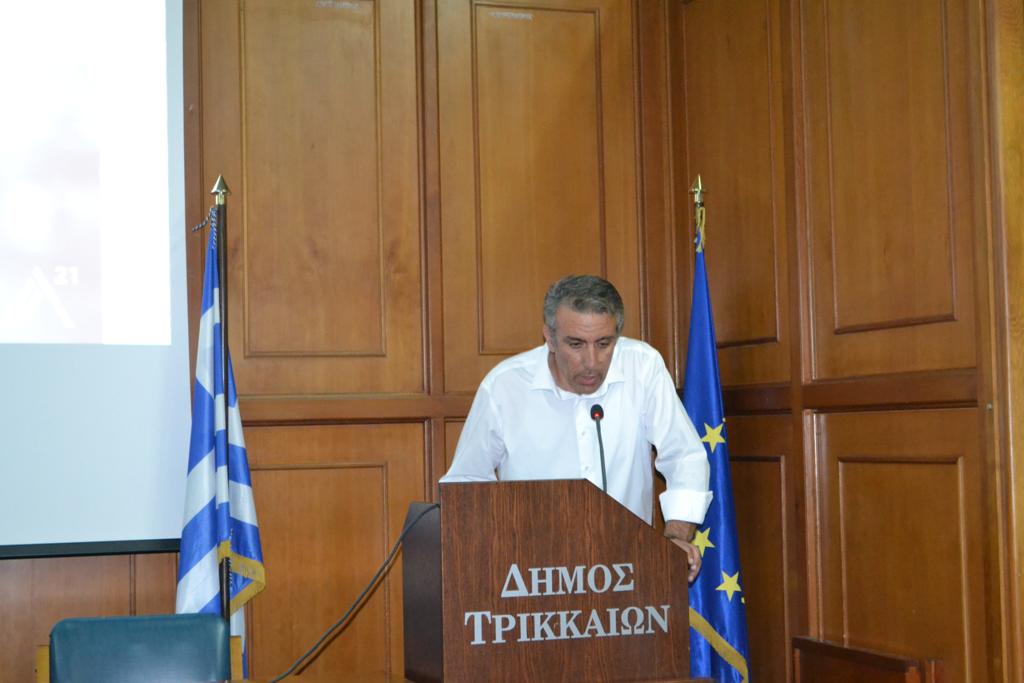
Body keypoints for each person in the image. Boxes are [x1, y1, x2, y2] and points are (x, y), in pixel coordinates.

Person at [441, 275, 712, 581]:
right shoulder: (505, 386)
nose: (591, 362)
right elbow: (466, 484)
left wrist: (675, 535)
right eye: (576, 344)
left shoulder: (643, 366)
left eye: (604, 344)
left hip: (626, 569)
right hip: (533, 576)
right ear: (549, 337)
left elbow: (684, 456)